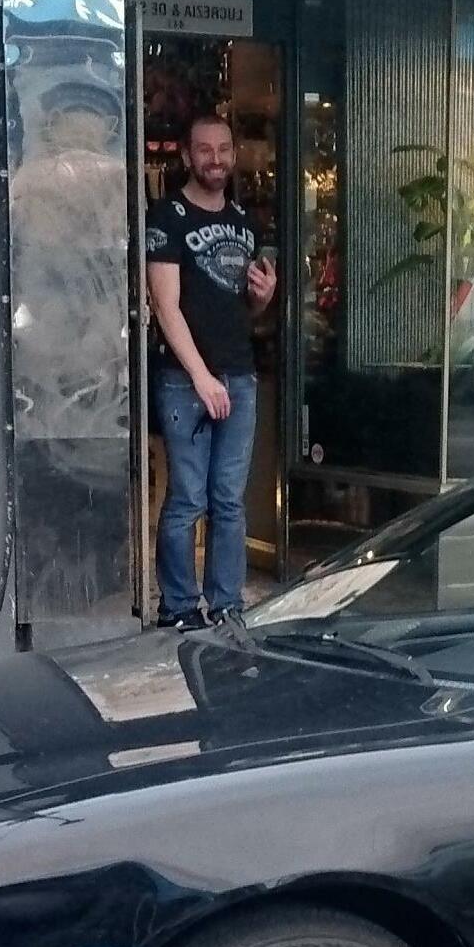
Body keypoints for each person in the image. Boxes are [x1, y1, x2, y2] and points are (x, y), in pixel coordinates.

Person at [146, 113, 276, 629]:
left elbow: (242, 308)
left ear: (234, 155)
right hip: (184, 381)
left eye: (223, 149)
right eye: (204, 150)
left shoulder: (244, 222)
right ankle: (178, 608)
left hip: (239, 374)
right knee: (187, 498)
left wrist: (263, 298)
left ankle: (226, 605)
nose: (215, 159)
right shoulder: (167, 216)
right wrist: (201, 376)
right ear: (186, 156)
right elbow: (165, 306)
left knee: (229, 501)